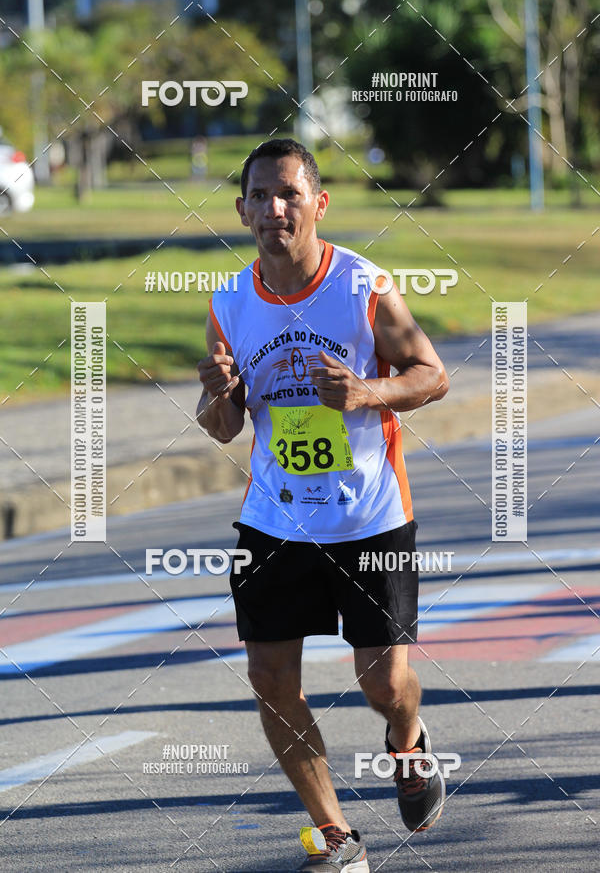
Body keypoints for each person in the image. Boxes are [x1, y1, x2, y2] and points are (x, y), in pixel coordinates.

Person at [196, 138, 449, 872]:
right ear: (242, 210)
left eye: (290, 195)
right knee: (272, 679)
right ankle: (335, 833)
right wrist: (219, 394)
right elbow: (221, 430)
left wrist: (371, 392)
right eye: (261, 197)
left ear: (318, 204)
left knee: (384, 683)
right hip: (275, 519)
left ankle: (408, 744)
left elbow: (430, 375)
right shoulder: (230, 303)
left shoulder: (361, 286)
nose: (276, 209)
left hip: (368, 516)